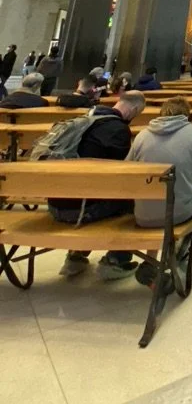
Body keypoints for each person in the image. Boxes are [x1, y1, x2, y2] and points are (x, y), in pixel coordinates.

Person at [51, 91, 146, 280]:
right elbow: (123, 176)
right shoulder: (118, 130)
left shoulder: (84, 119)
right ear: (134, 110)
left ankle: (75, 257)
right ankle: (116, 261)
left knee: (87, 188)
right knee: (136, 200)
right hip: (81, 211)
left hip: (56, 204)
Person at [126, 96, 192, 288]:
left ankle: (151, 260)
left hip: (143, 215)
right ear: (186, 114)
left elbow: (128, 170)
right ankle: (180, 248)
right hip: (178, 214)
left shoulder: (142, 135)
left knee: (158, 201)